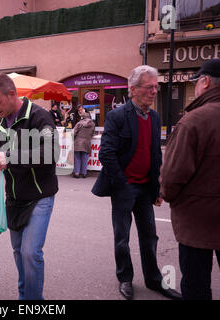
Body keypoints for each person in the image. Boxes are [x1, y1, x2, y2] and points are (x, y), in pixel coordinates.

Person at [91, 65, 181, 300]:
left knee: (149, 236)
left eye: (156, 87)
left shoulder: (154, 117)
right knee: (122, 238)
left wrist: (158, 187)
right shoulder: (117, 116)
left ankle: (153, 279)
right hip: (124, 187)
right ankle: (125, 278)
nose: (154, 91)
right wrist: (121, 185)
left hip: (145, 187)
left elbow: (155, 155)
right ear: (133, 90)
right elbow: (106, 154)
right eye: (149, 87)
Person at [0, 72, 58, 300]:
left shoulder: (39, 116)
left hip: (40, 196)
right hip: (14, 198)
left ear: (12, 94)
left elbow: (52, 153)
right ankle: (26, 296)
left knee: (29, 253)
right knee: (18, 252)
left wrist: (12, 157)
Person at [160, 58, 220, 300]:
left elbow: (173, 175)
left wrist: (167, 194)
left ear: (205, 82)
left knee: (196, 286)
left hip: (197, 219)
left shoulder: (194, 121)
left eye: (196, 82)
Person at [72, 109, 95, 178]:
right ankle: (84, 173)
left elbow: (73, 133)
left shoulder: (79, 123)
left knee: (77, 158)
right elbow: (92, 133)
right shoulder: (92, 124)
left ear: (83, 117)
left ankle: (77, 173)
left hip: (78, 143)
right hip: (87, 143)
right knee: (85, 158)